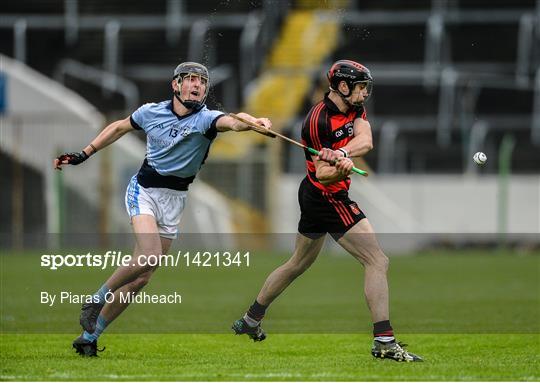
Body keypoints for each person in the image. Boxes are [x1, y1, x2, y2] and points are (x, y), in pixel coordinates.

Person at [54, 61, 272, 357]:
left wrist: (254, 121)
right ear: (176, 85)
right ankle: (95, 299)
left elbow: (234, 121)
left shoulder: (206, 120)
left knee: (142, 277)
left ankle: (89, 336)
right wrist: (84, 153)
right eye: (190, 79)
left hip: (175, 200)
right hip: (144, 191)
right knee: (149, 255)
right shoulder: (150, 112)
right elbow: (119, 127)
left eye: (202, 82)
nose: (197, 85)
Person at [232, 60, 423, 362]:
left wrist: (344, 154)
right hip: (326, 196)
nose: (364, 94)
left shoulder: (353, 108)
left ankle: (251, 318)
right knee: (377, 261)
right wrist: (337, 168)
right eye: (360, 88)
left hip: (315, 195)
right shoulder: (317, 122)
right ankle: (384, 341)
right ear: (343, 87)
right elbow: (322, 174)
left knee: (297, 263)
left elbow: (366, 138)